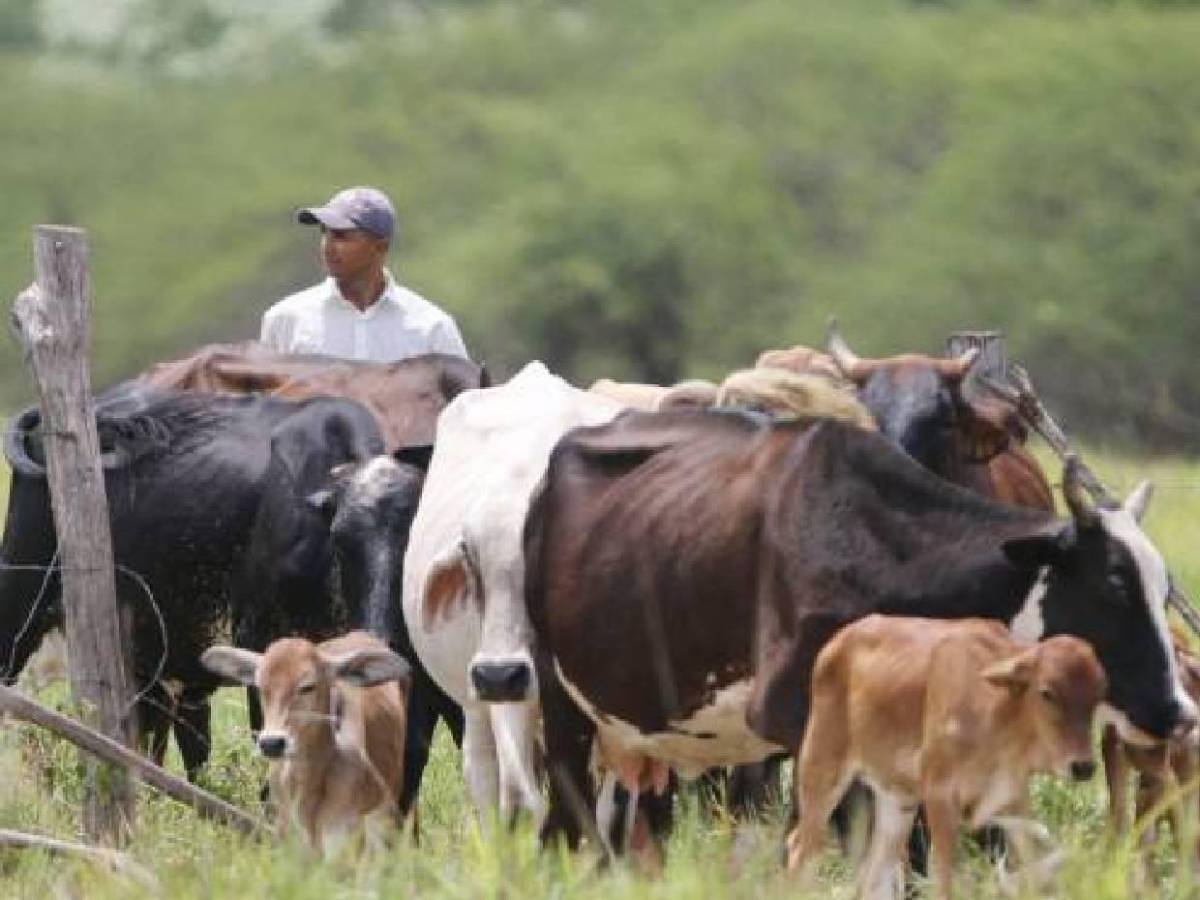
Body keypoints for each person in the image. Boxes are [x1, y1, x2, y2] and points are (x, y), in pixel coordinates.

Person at [260, 186, 469, 362]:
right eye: (324, 232)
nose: (328, 246)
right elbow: (263, 405)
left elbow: (464, 407)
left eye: (341, 236)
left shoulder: (432, 327)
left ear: (380, 247)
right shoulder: (285, 320)